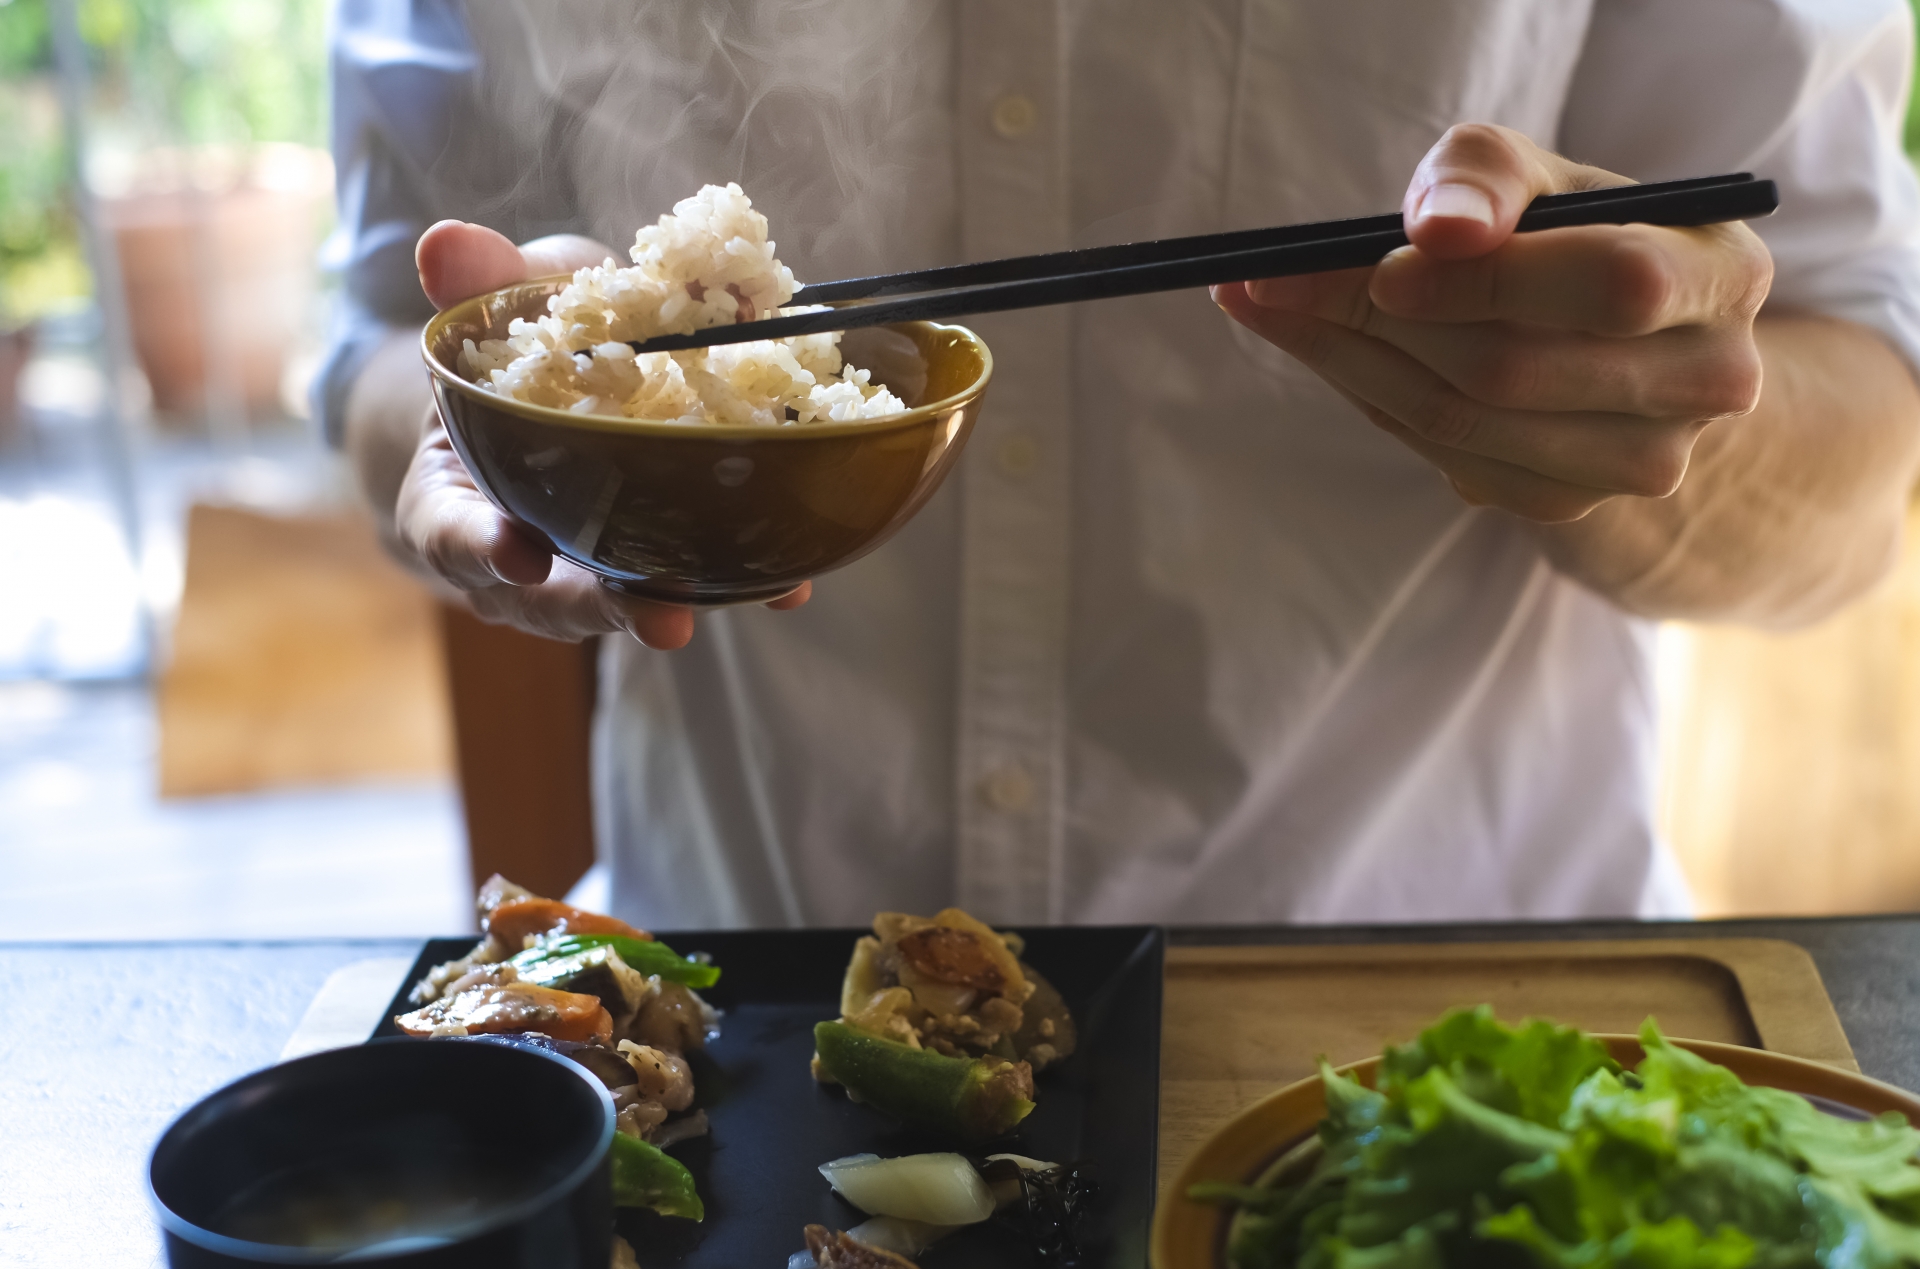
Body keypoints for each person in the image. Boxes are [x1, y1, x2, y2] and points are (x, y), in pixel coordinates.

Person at [321, 1, 1920, 928]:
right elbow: (385, 340)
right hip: (741, 996)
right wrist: (489, 435)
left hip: (1426, 1004)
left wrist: (1641, 420)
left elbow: (1861, 442)